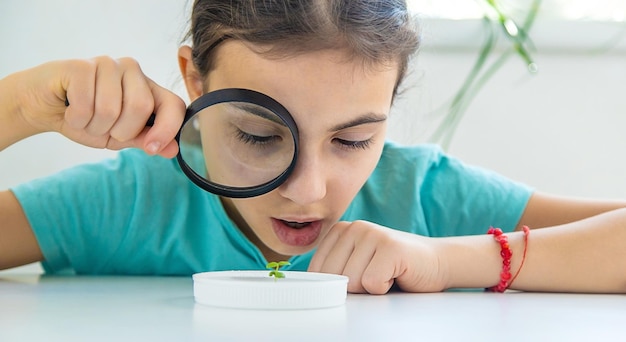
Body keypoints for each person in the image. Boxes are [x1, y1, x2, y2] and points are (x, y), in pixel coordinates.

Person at [1, 0, 625, 295]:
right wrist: (19, 107)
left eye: (354, 139)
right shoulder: (132, 201)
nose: (308, 190)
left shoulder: (421, 194)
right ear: (194, 81)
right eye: (257, 134)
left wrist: (452, 260)